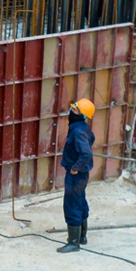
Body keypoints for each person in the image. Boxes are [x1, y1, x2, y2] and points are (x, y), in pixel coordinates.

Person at [57, 98, 95, 253]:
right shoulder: (83, 127)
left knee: (72, 204)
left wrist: (75, 168)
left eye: (76, 110)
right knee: (80, 201)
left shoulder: (78, 131)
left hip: (76, 174)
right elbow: (91, 139)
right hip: (82, 175)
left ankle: (73, 243)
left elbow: (86, 153)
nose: (72, 111)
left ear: (83, 115)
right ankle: (82, 237)